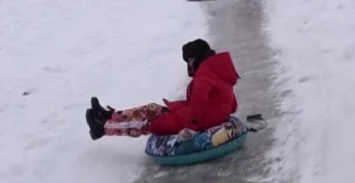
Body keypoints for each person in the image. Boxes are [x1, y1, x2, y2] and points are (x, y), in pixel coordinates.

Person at [86, 39, 240, 141]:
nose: (189, 65)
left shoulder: (204, 75)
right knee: (151, 108)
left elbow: (199, 100)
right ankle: (109, 115)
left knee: (144, 122)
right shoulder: (217, 71)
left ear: (198, 58)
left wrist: (190, 128)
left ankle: (102, 127)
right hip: (189, 116)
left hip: (187, 122)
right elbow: (231, 105)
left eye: (190, 60)